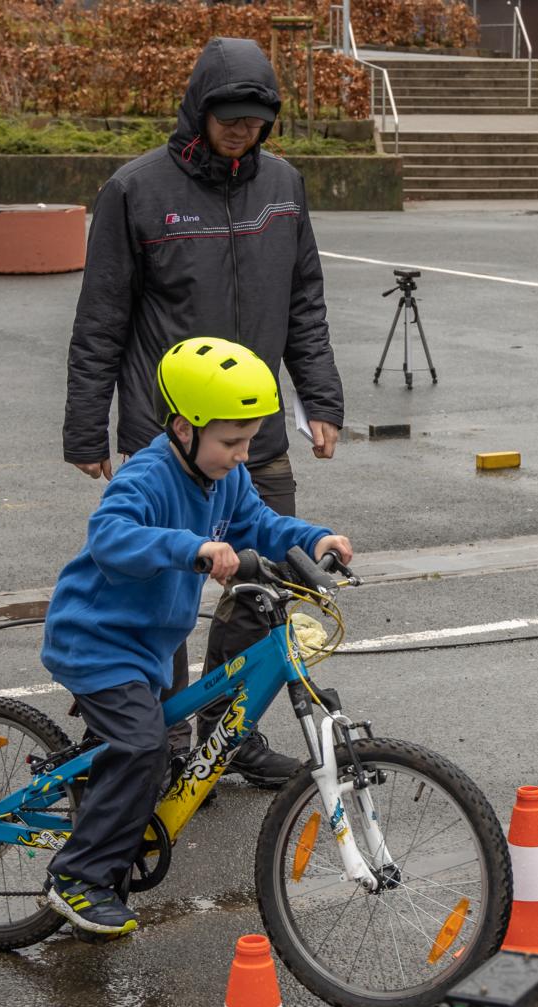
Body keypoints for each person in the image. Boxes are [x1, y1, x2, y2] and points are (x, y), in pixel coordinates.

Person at [65, 36, 346, 789]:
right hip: (172, 433)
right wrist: (87, 426)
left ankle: (232, 738)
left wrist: (320, 397)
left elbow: (304, 302)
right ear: (200, 108)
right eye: (228, 116)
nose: (241, 131)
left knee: (264, 589)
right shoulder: (136, 190)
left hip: (256, 432)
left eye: (255, 120)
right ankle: (159, 740)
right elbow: (101, 316)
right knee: (166, 590)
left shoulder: (284, 186)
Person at [39, 337, 354, 936]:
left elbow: (259, 522)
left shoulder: (224, 479)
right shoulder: (149, 475)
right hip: (98, 640)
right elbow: (109, 534)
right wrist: (194, 549)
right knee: (142, 747)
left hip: (154, 644)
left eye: (250, 442)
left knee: (148, 753)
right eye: (231, 442)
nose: (241, 455)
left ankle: (106, 825)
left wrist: (314, 539)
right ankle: (76, 876)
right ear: (184, 428)